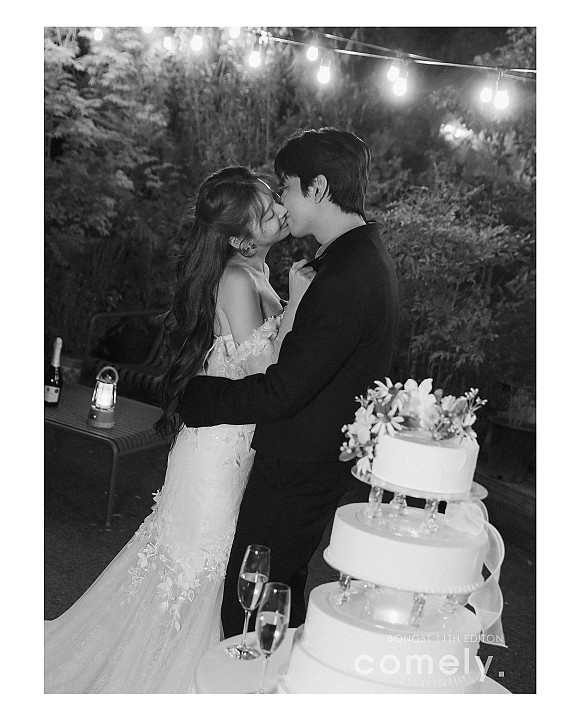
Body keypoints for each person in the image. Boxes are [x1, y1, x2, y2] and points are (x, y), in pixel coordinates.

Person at [44, 166, 315, 693]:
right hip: (215, 451)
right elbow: (264, 370)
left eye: (275, 203)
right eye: (267, 213)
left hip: (236, 442)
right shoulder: (236, 279)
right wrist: (298, 301)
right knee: (197, 564)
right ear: (241, 239)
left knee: (204, 561)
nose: (282, 212)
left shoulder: (256, 271)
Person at [178, 128, 401, 637]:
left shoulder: (346, 276)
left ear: (317, 188)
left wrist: (199, 397)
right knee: (278, 601)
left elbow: (283, 389)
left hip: (296, 467)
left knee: (248, 609)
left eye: (286, 188)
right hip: (304, 461)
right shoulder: (356, 260)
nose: (281, 201)